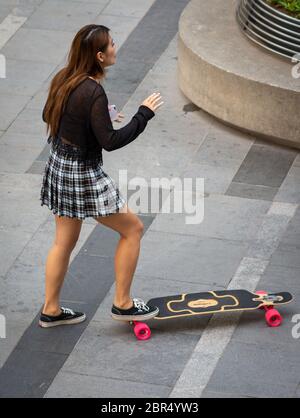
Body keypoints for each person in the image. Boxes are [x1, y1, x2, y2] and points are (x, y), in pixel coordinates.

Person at [39, 24, 164, 328]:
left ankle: (51, 310)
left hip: (59, 166)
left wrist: (99, 116)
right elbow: (111, 141)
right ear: (98, 55)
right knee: (132, 229)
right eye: (110, 44)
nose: (114, 48)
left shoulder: (65, 77)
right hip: (82, 173)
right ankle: (123, 304)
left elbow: (49, 116)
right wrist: (143, 114)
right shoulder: (93, 90)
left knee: (63, 242)